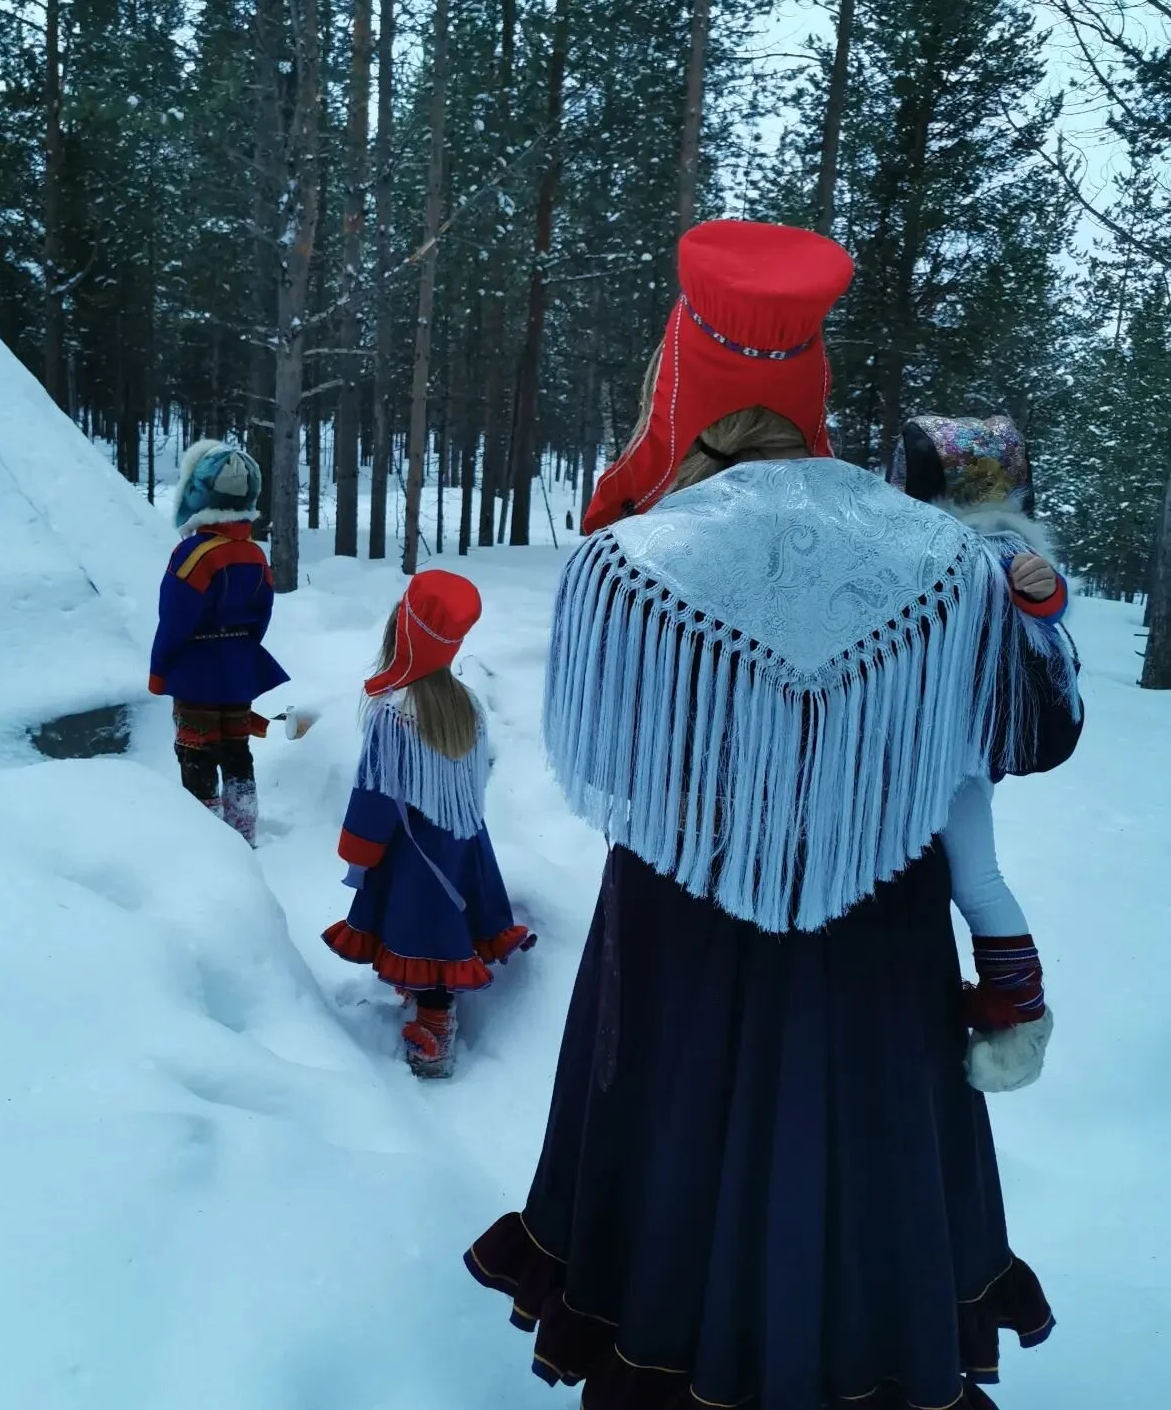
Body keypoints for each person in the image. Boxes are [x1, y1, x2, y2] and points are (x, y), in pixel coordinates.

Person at [464, 221, 1083, 1410]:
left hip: (680, 927)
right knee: (866, 1160)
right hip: (877, 923)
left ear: (679, 381)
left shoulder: (627, 561)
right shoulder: (943, 559)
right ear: (817, 387)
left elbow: (603, 763)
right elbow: (1030, 738)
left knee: (679, 1149)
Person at [893, 414, 1075, 1093]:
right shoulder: (945, 550)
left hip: (952, 748)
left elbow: (1049, 619)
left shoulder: (998, 554)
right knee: (973, 877)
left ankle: (1021, 1011)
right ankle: (1018, 1010)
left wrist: (1041, 596)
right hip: (943, 746)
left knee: (974, 879)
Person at [322, 570, 533, 1078]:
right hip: (463, 844)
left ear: (403, 634)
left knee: (427, 932)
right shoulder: (467, 705)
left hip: (415, 856)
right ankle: (429, 1008)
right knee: (445, 931)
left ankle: (436, 1032)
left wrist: (359, 849)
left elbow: (375, 795)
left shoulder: (395, 714)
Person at [149, 441, 288, 848]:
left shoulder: (192, 555)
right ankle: (244, 832)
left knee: (196, 753)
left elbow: (174, 620)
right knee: (237, 750)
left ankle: (206, 844)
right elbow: (262, 613)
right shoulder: (254, 554)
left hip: (196, 673)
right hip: (238, 671)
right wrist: (243, 654)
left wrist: (160, 672)